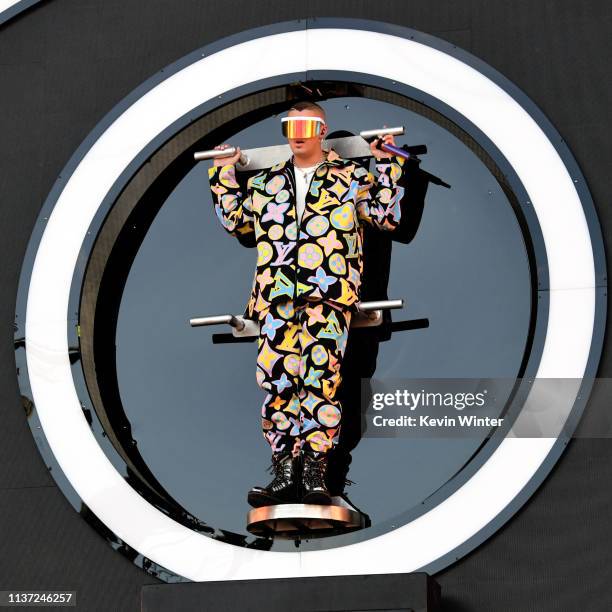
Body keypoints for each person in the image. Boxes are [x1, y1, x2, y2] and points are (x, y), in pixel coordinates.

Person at [207, 100, 406, 507]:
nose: (297, 133)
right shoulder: (266, 185)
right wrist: (223, 170)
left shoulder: (348, 178)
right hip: (275, 296)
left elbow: (386, 216)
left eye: (305, 125)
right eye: (289, 125)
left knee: (320, 380)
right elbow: (234, 220)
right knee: (278, 382)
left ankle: (317, 471)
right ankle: (283, 471)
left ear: (320, 129)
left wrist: (386, 164)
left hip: (327, 297)